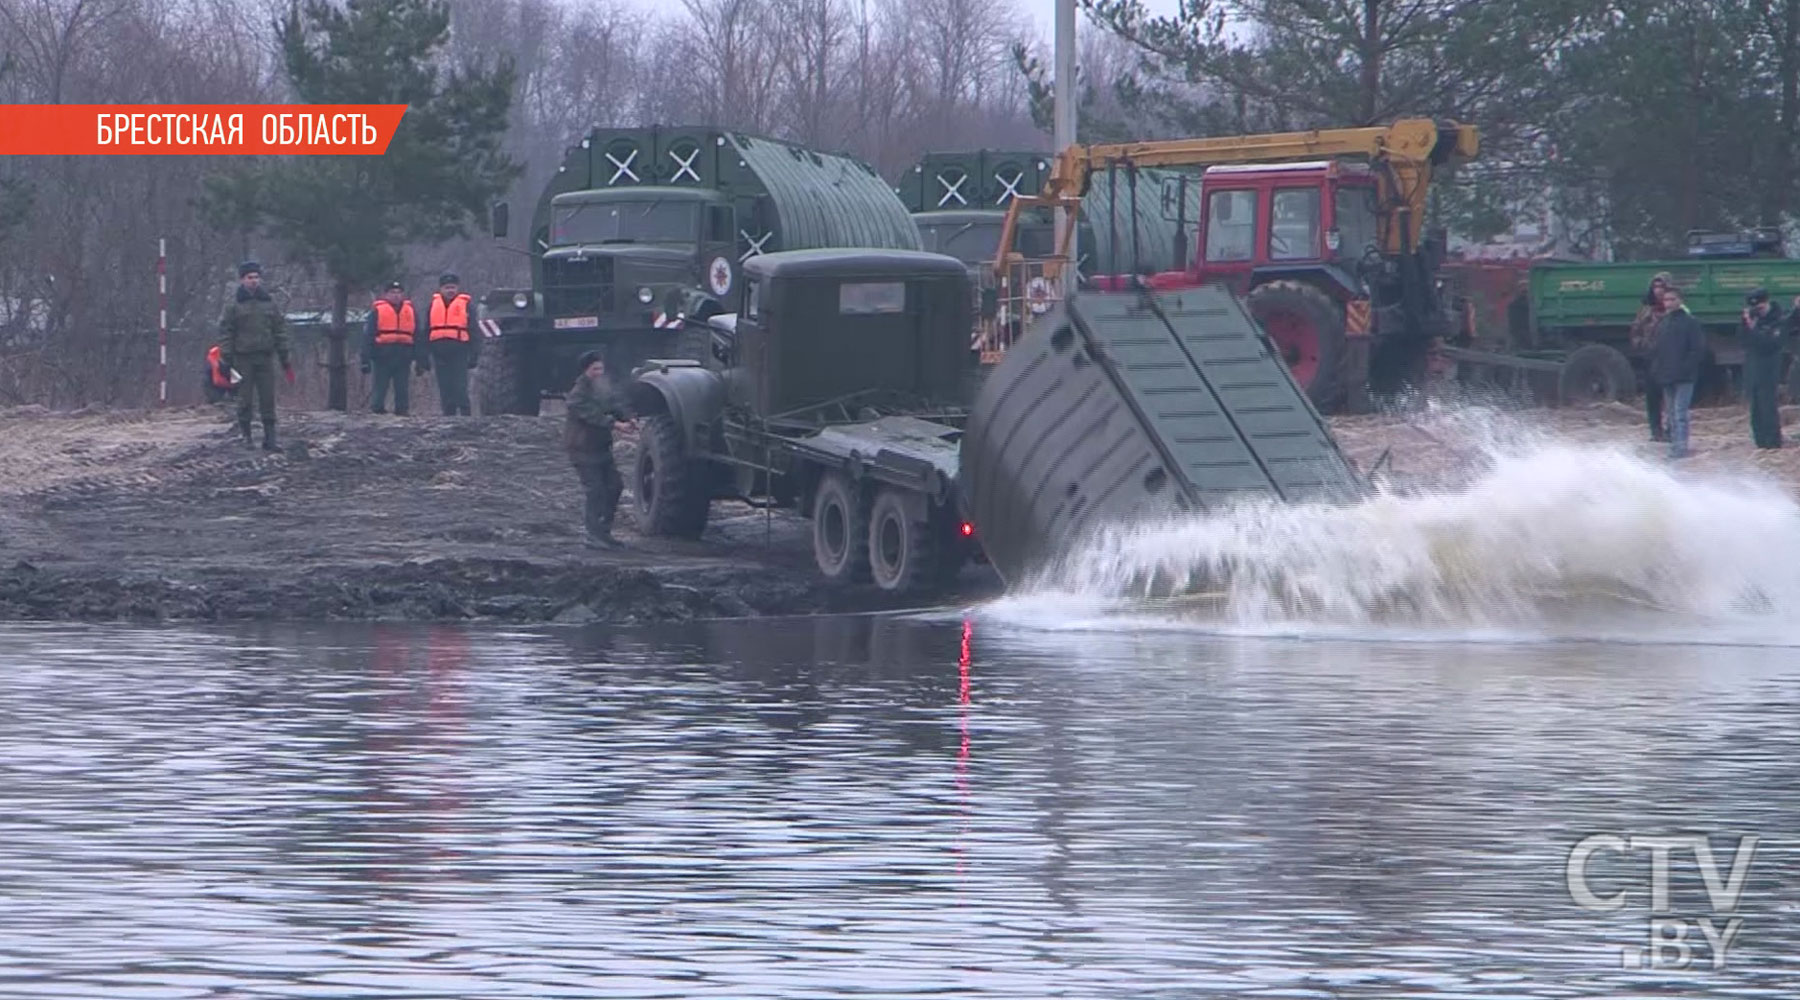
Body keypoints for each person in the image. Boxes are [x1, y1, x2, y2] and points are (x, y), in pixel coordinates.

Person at [218, 260, 293, 451]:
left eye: (257, 277)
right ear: (242, 280)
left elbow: (279, 330)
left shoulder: (268, 303)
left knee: (268, 398)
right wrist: (226, 358)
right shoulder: (234, 306)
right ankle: (246, 436)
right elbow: (226, 332)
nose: (254, 281)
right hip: (243, 358)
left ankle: (270, 439)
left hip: (265, 357)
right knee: (245, 399)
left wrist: (284, 356)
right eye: (250, 277)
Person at [564, 350, 636, 548]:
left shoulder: (602, 388)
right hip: (582, 449)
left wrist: (628, 417)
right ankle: (593, 534)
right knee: (595, 491)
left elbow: (615, 403)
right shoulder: (578, 394)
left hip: (601, 448)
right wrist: (615, 425)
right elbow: (592, 415)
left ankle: (604, 531)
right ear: (586, 370)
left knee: (615, 486)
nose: (599, 372)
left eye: (601, 368)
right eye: (595, 369)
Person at [1651, 284, 1706, 460]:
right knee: (1671, 414)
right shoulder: (1663, 323)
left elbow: (1697, 349)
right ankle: (1674, 446)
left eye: (1672, 299)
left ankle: (1681, 448)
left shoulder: (1690, 322)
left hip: (1684, 376)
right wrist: (1658, 370)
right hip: (1667, 375)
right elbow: (1658, 349)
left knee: (1680, 412)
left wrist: (1685, 368)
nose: (1668, 303)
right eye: (1666, 299)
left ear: (1680, 301)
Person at [361, 280, 425, 415]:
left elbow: (417, 336)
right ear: (386, 295)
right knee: (380, 385)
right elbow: (368, 335)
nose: (396, 295)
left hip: (404, 355)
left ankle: (402, 410)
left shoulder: (410, 312)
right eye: (392, 293)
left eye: (399, 293)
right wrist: (365, 358)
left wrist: (420, 359)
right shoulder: (377, 312)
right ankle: (377, 409)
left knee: (402, 386)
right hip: (382, 354)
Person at [1629, 271, 1673, 441]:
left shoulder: (1674, 310)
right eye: (1655, 287)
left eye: (1661, 287)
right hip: (1650, 359)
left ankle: (1671, 431)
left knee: (1671, 399)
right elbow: (1635, 332)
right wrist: (1643, 346)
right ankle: (1656, 431)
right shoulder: (1646, 310)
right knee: (1652, 398)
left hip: (1670, 360)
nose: (1658, 291)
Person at [426, 272, 479, 415]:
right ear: (440, 289)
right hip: (439, 350)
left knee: (460, 384)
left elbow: (474, 330)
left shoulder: (466, 305)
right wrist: (424, 355)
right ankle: (448, 414)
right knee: (444, 384)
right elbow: (426, 330)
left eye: (453, 287)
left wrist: (474, 354)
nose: (450, 290)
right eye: (447, 288)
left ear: (458, 288)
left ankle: (465, 413)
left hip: (459, 349)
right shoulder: (433, 305)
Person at [1740, 287, 1784, 449]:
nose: (1758, 311)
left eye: (1760, 308)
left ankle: (1773, 442)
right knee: (1756, 408)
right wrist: (1746, 324)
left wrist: (1753, 330)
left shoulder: (1777, 320)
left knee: (1768, 407)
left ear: (1766, 303)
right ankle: (1760, 442)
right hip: (1753, 369)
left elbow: (1769, 344)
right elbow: (1743, 342)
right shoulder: (1752, 320)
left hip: (1768, 369)